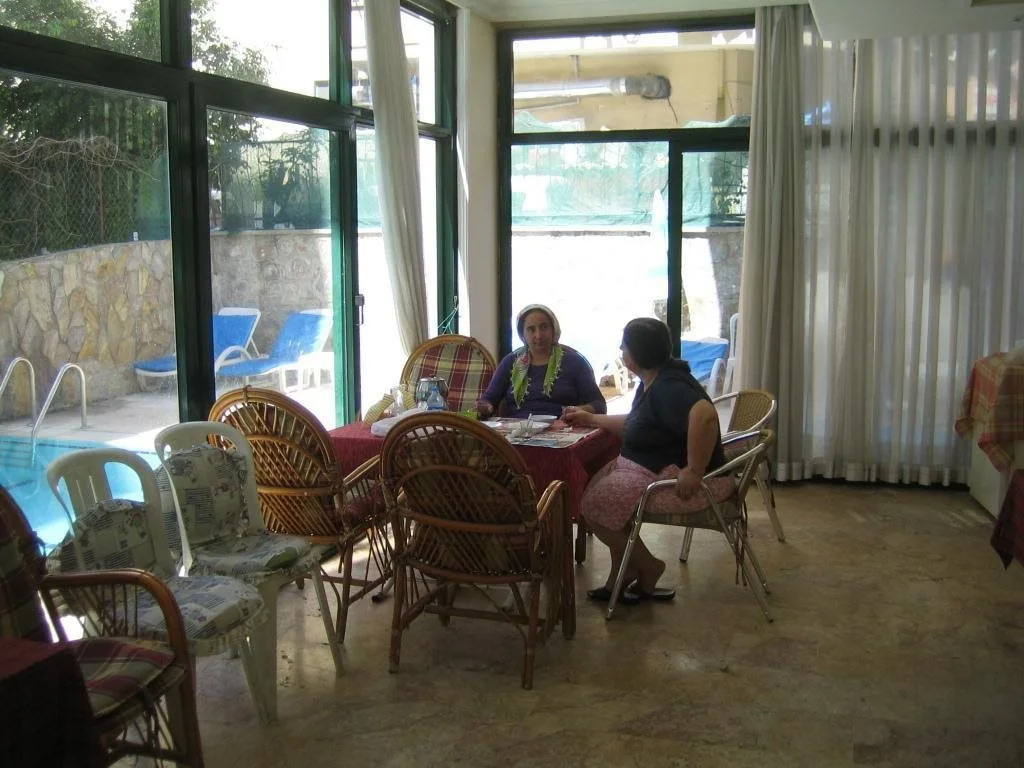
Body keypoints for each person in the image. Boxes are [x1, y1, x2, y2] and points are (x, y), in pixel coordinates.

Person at [563, 317, 733, 605]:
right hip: (650, 470)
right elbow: (637, 423)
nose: (621, 350)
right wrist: (592, 419)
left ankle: (648, 566)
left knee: (595, 508)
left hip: (688, 484)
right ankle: (624, 572)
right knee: (598, 495)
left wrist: (694, 469)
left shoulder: (669, 387)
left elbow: (704, 415)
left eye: (624, 346)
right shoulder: (655, 379)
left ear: (638, 354)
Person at [476, 304, 607, 420]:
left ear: (553, 329)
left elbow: (599, 405)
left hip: (563, 429)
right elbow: (489, 400)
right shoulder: (510, 362)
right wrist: (486, 407)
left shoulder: (575, 362)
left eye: (544, 327)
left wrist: (578, 410)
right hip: (516, 433)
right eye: (531, 329)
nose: (538, 335)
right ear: (522, 334)